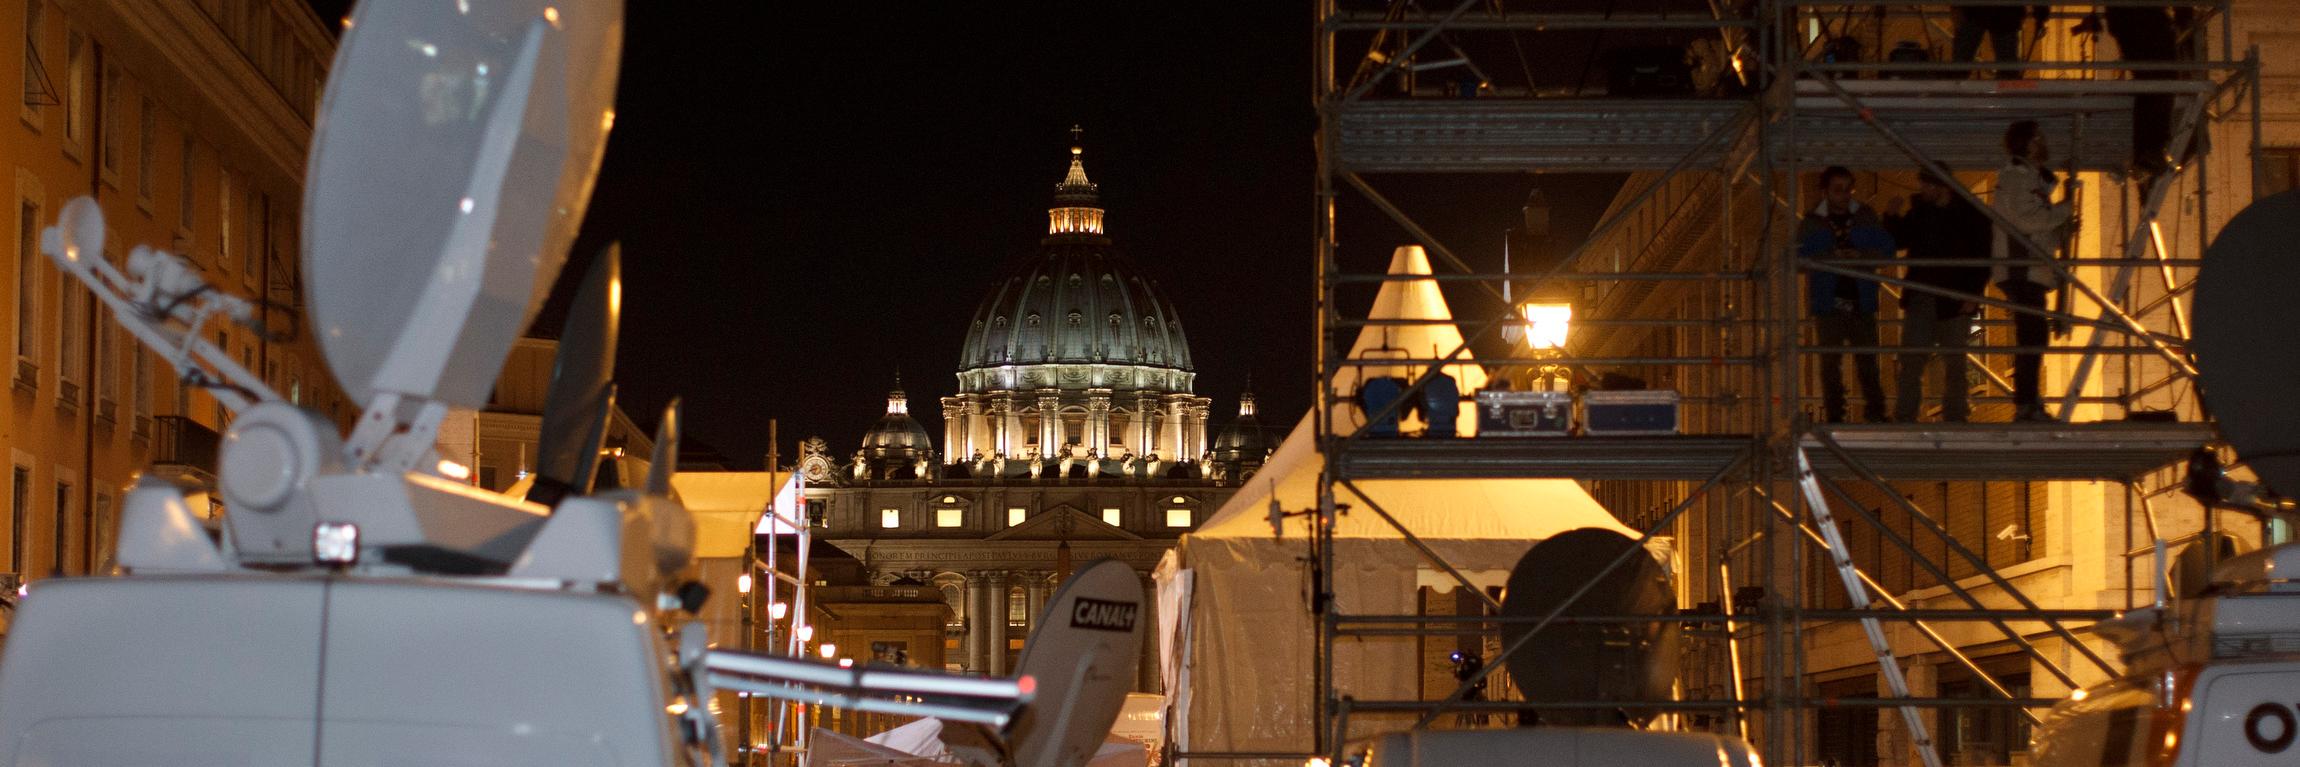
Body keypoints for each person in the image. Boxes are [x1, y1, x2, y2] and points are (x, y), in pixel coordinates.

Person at [1883, 171, 1993, 423]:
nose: (1922, 191)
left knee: (1953, 361)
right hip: (1926, 296)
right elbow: (1900, 239)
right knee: (1914, 360)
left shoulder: (1967, 215)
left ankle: (1954, 413)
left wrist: (1973, 293)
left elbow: (1982, 256)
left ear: (1940, 186)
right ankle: (1906, 414)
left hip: (1952, 298)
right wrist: (1891, 217)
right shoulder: (1923, 211)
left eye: (1926, 185)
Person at [1992, 121, 2077, 423]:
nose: (2043, 143)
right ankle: (2026, 405)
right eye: (2038, 138)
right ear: (2028, 143)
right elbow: (2027, 220)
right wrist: (2064, 210)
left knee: (2033, 336)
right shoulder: (2016, 177)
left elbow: (2037, 230)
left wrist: (2060, 229)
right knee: (2032, 336)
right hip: (2021, 269)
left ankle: (2028, 402)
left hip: (2028, 268)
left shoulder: (2028, 179)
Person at [1798, 166, 1895, 424]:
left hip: (1860, 299)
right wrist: (1832, 258)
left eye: (1847, 189)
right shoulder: (1811, 223)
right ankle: (1835, 414)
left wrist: (1860, 256)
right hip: (1829, 302)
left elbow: (1887, 250)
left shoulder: (1865, 217)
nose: (1843, 195)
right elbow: (1799, 259)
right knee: (1831, 364)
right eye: (1837, 190)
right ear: (1825, 191)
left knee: (1868, 362)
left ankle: (1875, 412)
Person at [2107, 6, 2180, 188]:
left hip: (2140, 25)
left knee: (2156, 85)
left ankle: (2149, 153)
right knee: (2157, 86)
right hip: (2142, 25)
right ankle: (2148, 153)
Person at [1951, 6, 2025, 79]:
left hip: (1974, 10)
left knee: (1960, 64)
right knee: (2008, 67)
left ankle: (1956, 83)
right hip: (2006, 13)